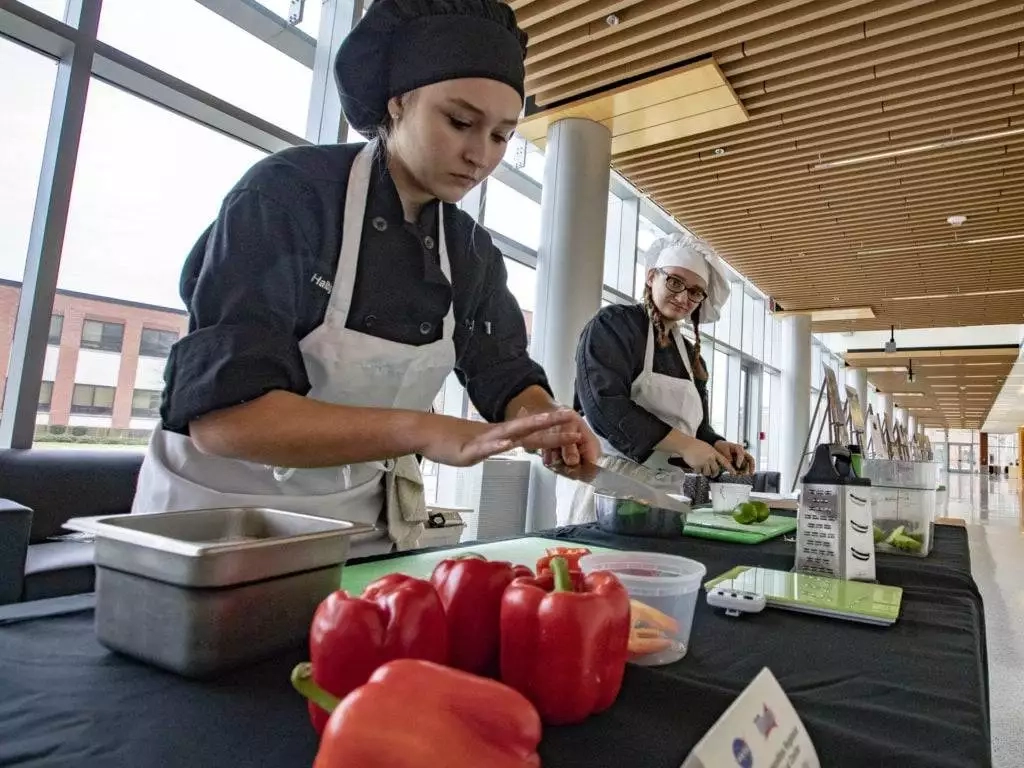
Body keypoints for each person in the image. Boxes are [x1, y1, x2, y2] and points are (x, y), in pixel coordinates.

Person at [131, 0, 599, 556]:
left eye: (501, 136)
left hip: (358, 532)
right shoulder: (288, 197)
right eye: (459, 122)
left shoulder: (470, 251)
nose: (479, 156)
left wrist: (543, 421)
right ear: (398, 102)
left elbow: (502, 371)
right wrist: (425, 430)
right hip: (217, 529)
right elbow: (226, 420)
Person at [568, 232, 754, 523]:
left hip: (668, 489)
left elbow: (696, 427)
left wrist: (716, 444)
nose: (683, 298)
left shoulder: (691, 355)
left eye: (695, 292)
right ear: (652, 276)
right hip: (611, 482)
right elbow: (604, 406)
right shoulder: (614, 325)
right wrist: (684, 445)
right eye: (675, 282)